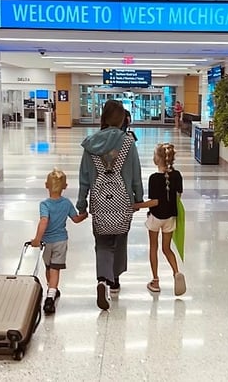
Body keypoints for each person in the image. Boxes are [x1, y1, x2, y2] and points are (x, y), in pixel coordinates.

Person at [77, 99, 144, 310]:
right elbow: (136, 175)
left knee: (102, 242)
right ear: (123, 118)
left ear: (103, 118)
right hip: (123, 200)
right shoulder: (128, 143)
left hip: (99, 201)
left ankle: (102, 280)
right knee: (120, 238)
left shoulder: (90, 144)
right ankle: (114, 281)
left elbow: (84, 178)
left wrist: (82, 204)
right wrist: (139, 198)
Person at [31, 168, 88, 315]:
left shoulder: (44, 204)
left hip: (46, 242)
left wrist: (37, 239)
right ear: (65, 186)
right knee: (55, 269)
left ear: (46, 185)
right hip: (61, 241)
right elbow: (75, 219)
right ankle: (51, 293)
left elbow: (44, 221)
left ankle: (51, 291)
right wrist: (84, 215)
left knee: (49, 268)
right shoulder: (67, 203)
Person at [144, 143, 186, 296]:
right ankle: (176, 272)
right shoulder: (177, 175)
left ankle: (155, 281)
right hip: (170, 218)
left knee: (153, 247)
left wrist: (137, 205)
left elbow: (155, 202)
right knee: (167, 248)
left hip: (155, 217)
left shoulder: (154, 178)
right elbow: (178, 197)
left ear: (158, 159)